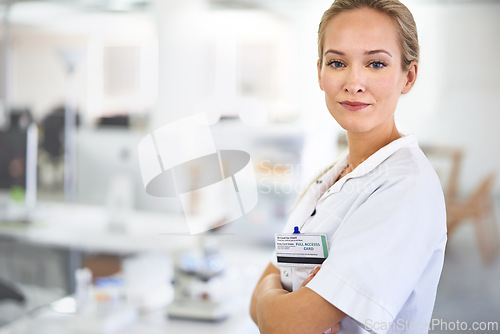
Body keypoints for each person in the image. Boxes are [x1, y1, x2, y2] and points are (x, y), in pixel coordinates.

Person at [250, 0, 447, 333]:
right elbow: (266, 287)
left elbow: (284, 324)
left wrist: (272, 301)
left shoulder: (405, 188)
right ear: (320, 73)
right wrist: (274, 299)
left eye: (376, 64)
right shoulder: (328, 180)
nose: (354, 82)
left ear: (408, 76)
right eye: (338, 62)